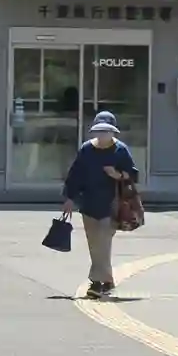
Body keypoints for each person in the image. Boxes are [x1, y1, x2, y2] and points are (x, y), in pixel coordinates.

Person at [61, 117, 137, 297]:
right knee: (94, 244)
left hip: (112, 205)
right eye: (99, 131)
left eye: (106, 131)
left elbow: (133, 174)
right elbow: (75, 175)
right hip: (88, 204)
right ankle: (107, 280)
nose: (102, 135)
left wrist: (117, 175)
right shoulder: (86, 149)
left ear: (113, 132)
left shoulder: (120, 150)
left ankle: (96, 283)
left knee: (103, 242)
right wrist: (69, 198)